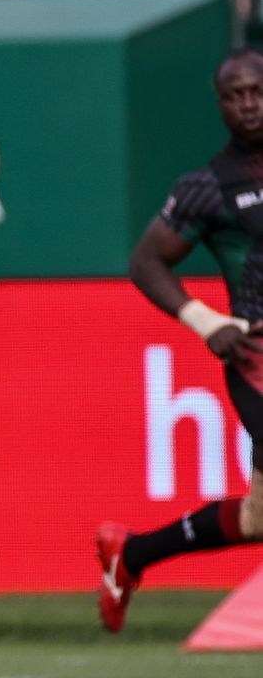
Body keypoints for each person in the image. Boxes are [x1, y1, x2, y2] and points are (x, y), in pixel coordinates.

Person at [96, 48, 263, 633]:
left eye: (257, 92)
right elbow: (146, 263)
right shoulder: (208, 187)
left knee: (258, 517)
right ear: (220, 105)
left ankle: (131, 554)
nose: (248, 105)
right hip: (256, 359)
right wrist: (208, 322)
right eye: (235, 96)